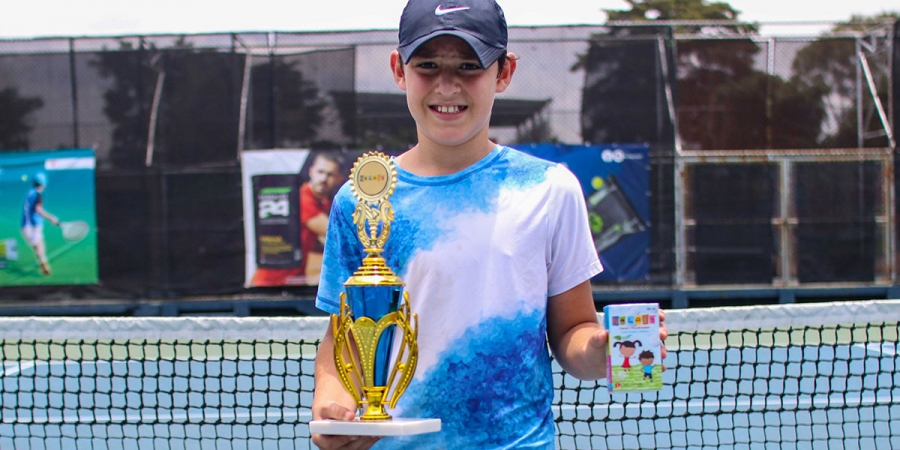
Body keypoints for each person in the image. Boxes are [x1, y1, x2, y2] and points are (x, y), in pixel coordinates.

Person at [311, 0, 668, 448]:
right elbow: (344, 337)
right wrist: (332, 404)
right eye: (427, 65)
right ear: (399, 70)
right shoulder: (360, 199)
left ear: (504, 72)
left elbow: (572, 330)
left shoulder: (550, 188)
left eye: (469, 65)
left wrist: (598, 351)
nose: (447, 85)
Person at [250, 152, 345, 286]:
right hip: (271, 282)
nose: (323, 179)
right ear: (311, 171)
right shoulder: (303, 198)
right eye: (320, 172)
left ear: (339, 179)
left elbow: (320, 239)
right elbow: (336, 232)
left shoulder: (322, 201)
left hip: (294, 279)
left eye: (330, 175)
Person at [20, 172, 59, 276]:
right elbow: (38, 209)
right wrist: (51, 218)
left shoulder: (29, 193)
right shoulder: (38, 195)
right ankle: (44, 265)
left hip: (24, 227)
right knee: (39, 246)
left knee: (38, 246)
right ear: (44, 184)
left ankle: (43, 264)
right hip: (34, 226)